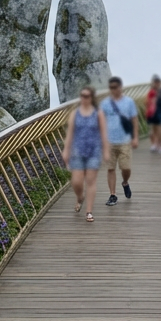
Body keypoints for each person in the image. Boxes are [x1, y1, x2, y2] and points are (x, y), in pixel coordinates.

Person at [62, 86, 109, 223]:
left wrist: (106, 151)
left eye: (87, 96)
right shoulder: (75, 113)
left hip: (94, 152)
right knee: (76, 181)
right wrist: (66, 150)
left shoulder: (98, 113)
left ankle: (89, 211)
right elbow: (70, 133)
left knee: (90, 181)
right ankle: (79, 197)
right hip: (77, 151)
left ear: (92, 97)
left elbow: (104, 134)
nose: (84, 98)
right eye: (82, 95)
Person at [100, 76, 139, 206]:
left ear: (120, 87)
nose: (113, 90)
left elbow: (134, 120)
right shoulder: (105, 103)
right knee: (110, 168)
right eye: (111, 88)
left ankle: (125, 182)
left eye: (115, 87)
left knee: (126, 168)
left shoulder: (129, 102)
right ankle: (113, 195)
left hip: (125, 140)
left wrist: (135, 137)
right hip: (109, 141)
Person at [146, 75, 161, 152]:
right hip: (152, 113)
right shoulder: (151, 92)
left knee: (159, 129)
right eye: (155, 82)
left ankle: (159, 145)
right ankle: (154, 144)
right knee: (153, 129)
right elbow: (147, 102)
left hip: (159, 113)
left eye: (158, 82)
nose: (157, 83)